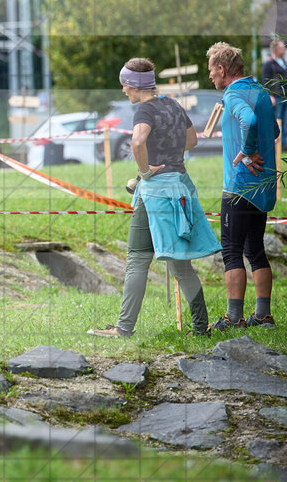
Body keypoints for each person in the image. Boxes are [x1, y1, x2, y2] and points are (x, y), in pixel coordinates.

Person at [87, 58, 218, 338]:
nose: (123, 91)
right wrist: (169, 151)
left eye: (125, 85)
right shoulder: (172, 104)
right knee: (181, 264)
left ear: (134, 85)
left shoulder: (145, 109)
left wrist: (145, 171)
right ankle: (200, 329)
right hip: (181, 188)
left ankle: (123, 329)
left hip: (156, 192)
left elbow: (137, 142)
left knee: (137, 258)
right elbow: (192, 140)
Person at [207, 42, 278, 330]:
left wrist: (247, 150)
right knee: (255, 249)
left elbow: (247, 120)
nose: (210, 75)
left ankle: (234, 317)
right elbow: (272, 129)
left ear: (222, 69)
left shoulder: (234, 94)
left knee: (231, 250)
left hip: (239, 186)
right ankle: (263, 315)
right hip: (262, 187)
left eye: (211, 70)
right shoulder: (259, 91)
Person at [261, 37, 287, 138]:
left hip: (285, 97)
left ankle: (284, 145)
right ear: (275, 49)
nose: (284, 49)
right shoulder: (269, 64)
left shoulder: (284, 62)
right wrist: (270, 95)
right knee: (277, 120)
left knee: (285, 122)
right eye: (282, 47)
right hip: (276, 97)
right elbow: (265, 81)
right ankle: (276, 144)